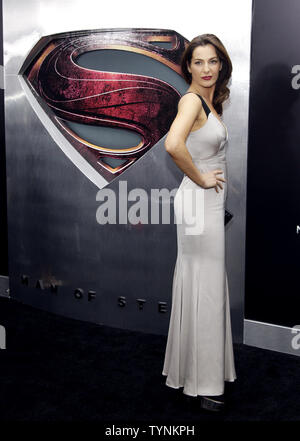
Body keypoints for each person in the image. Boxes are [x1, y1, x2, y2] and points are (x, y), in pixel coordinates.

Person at [162, 34, 237, 412]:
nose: (206, 69)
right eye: (198, 62)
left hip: (204, 204)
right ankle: (204, 383)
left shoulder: (211, 100)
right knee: (204, 285)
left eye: (213, 61)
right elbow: (173, 145)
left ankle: (195, 371)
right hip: (198, 201)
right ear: (187, 67)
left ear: (220, 63)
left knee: (203, 281)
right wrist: (202, 178)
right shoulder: (191, 100)